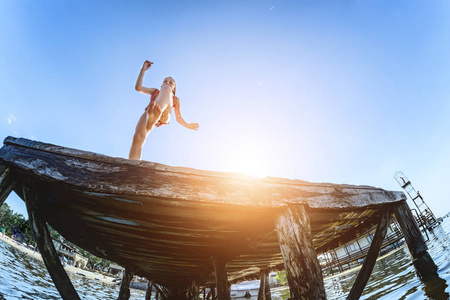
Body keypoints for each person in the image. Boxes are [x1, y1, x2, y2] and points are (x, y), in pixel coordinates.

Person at [129, 60, 199, 160]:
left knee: (166, 90)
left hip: (163, 116)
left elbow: (178, 118)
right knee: (137, 138)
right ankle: (132, 165)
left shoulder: (175, 99)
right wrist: (143, 70)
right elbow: (138, 88)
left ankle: (154, 116)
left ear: (174, 88)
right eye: (165, 82)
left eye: (170, 83)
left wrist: (188, 125)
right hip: (149, 113)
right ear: (161, 84)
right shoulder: (155, 91)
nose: (167, 83)